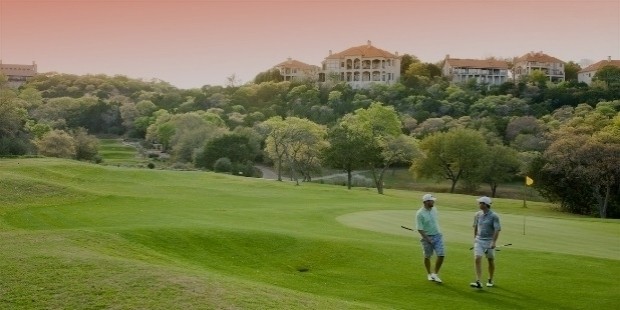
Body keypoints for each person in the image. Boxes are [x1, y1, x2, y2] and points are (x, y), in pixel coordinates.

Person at [470, 196, 501, 289]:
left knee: (490, 260)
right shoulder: (477, 214)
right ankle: (478, 281)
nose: (478, 204)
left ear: (485, 204)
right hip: (479, 240)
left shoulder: (494, 216)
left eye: (480, 203)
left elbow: (497, 229)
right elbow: (475, 227)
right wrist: (475, 238)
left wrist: (494, 242)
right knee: (477, 258)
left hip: (489, 241)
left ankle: (490, 279)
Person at [415, 193, 444, 283]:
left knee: (441, 254)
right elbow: (420, 229)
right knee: (427, 256)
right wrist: (428, 239)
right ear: (426, 202)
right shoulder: (420, 213)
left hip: (438, 235)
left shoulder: (434, 209)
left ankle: (435, 274)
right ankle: (429, 274)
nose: (433, 202)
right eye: (432, 201)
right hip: (427, 238)